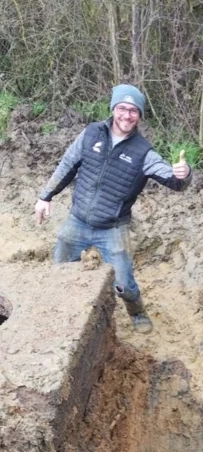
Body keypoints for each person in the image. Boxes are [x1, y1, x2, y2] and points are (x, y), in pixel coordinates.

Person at [35, 84, 193, 333]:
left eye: (133, 110)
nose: (126, 115)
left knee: (124, 283)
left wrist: (183, 174)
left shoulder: (144, 152)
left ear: (139, 115)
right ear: (113, 108)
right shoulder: (90, 134)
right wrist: (45, 197)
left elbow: (174, 181)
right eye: (122, 108)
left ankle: (137, 311)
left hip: (113, 228)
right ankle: (64, 314)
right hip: (78, 220)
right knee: (61, 271)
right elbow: (67, 165)